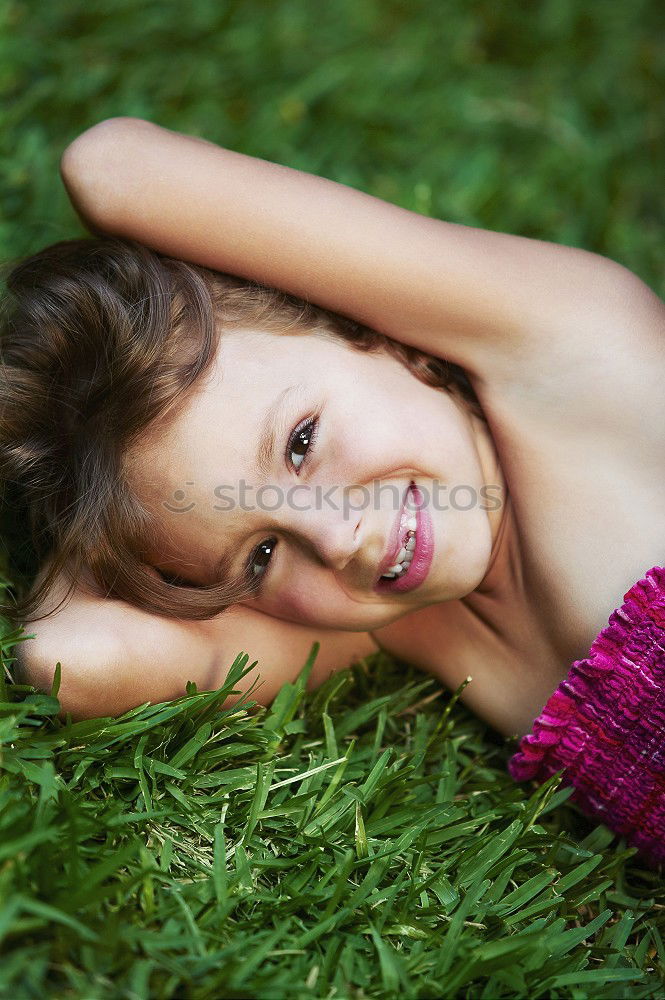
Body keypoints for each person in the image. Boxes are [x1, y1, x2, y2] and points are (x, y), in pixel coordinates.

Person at [2, 118, 664, 864]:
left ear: (376, 331)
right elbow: (70, 657)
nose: (336, 539)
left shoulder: (575, 361)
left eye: (302, 442)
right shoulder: (391, 621)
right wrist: (103, 493)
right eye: (258, 555)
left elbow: (109, 167)